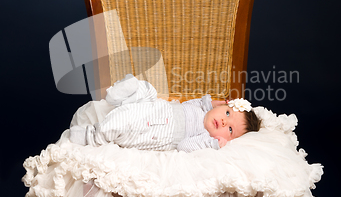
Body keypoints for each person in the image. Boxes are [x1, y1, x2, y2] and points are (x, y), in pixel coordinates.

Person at [70, 74, 261, 152]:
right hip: (157, 107)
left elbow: (185, 146)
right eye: (227, 113)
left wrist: (212, 144)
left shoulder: (203, 136)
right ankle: (117, 96)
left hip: (156, 130)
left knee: (125, 122)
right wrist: (209, 103)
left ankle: (93, 136)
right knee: (147, 89)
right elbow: (191, 104)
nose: (223, 122)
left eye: (230, 130)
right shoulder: (203, 109)